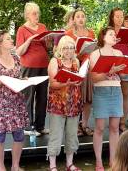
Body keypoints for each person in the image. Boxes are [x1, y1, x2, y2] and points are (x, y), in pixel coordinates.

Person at [0, 30, 29, 171]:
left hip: (16, 102)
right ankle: (1, 168)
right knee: (0, 135)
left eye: (10, 38)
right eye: (8, 39)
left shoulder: (16, 58)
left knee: (19, 135)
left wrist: (23, 80)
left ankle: (15, 166)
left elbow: (16, 78)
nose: (11, 40)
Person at [90, 27, 126, 171]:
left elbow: (122, 76)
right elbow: (94, 78)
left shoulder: (119, 53)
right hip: (101, 91)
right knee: (99, 128)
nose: (114, 36)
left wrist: (124, 70)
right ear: (103, 37)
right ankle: (99, 161)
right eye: (111, 34)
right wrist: (109, 72)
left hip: (116, 90)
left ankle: (113, 160)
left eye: (114, 34)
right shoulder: (95, 54)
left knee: (114, 128)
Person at [46, 36, 83, 171]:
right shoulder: (55, 61)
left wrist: (78, 81)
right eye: (66, 48)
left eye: (71, 48)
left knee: (72, 134)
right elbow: (53, 83)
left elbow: (78, 80)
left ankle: (69, 164)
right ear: (61, 49)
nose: (68, 51)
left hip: (74, 102)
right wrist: (66, 83)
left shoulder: (76, 62)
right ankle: (53, 166)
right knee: (56, 134)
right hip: (58, 104)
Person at [16, 2, 49, 136]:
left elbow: (47, 46)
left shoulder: (42, 27)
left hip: (43, 65)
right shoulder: (22, 30)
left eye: (38, 13)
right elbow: (19, 51)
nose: (37, 15)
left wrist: (49, 40)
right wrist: (29, 40)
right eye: (34, 13)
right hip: (28, 67)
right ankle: (28, 127)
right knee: (28, 97)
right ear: (27, 15)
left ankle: (40, 126)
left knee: (42, 97)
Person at [65, 8, 95, 137]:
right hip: (74, 68)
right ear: (74, 19)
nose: (81, 19)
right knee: (75, 98)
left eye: (83, 16)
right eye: (78, 16)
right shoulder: (68, 34)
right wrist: (78, 54)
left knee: (87, 98)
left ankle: (85, 124)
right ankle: (75, 125)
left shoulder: (91, 33)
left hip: (88, 67)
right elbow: (65, 53)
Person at [109, 8, 128, 132]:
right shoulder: (108, 32)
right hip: (112, 65)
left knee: (125, 94)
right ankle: (113, 121)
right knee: (113, 94)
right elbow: (101, 47)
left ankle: (122, 122)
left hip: (126, 64)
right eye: (117, 16)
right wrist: (113, 42)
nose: (120, 19)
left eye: (122, 16)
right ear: (112, 18)